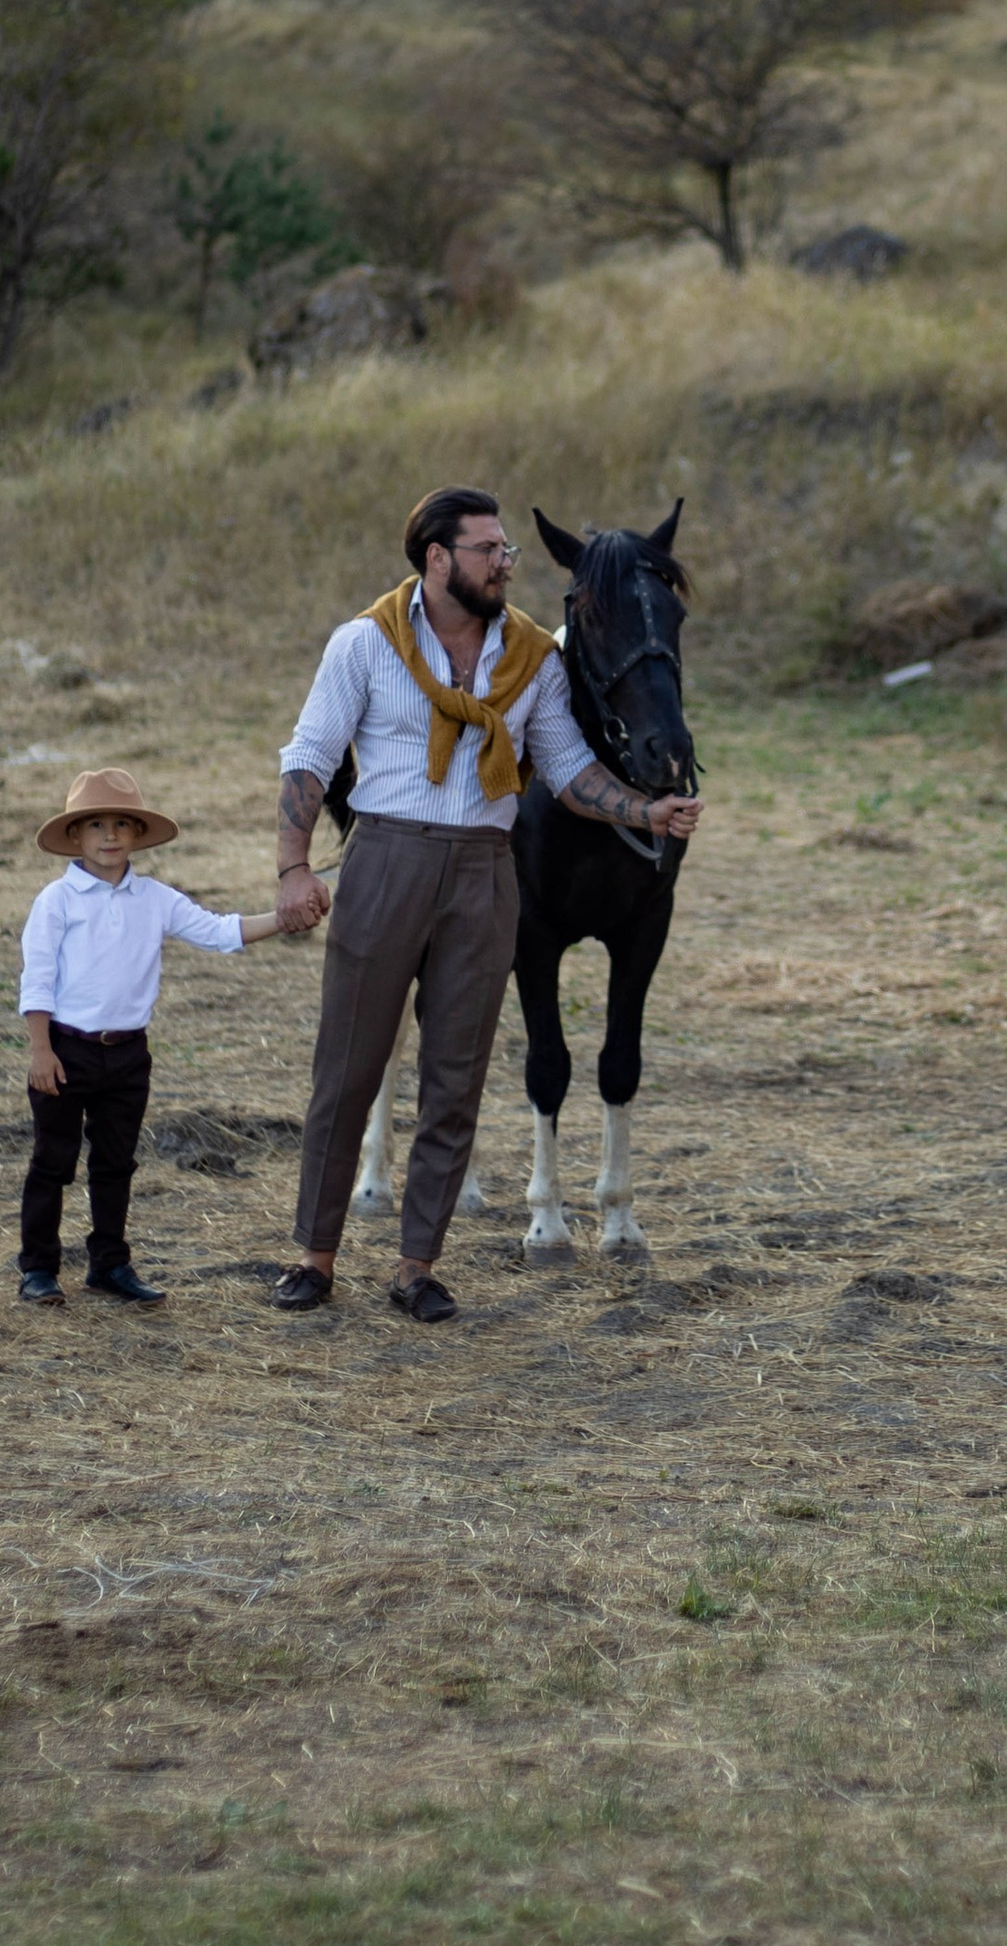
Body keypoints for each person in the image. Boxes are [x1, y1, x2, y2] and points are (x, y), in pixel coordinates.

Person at [271, 488, 701, 1325]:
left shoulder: (532, 658)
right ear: (438, 558)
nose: (507, 563)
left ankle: (416, 1265)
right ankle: (314, 1258)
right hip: (387, 856)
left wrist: (645, 811)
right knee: (349, 1068)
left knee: (456, 1075)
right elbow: (310, 757)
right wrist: (293, 866)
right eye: (489, 550)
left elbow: (568, 768)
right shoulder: (364, 644)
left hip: (483, 869)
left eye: (507, 550)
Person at [17, 765, 307, 1310]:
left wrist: (284, 918)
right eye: (96, 825)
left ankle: (109, 1265)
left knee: (115, 1162)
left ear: (137, 836)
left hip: (127, 1054)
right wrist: (41, 1049)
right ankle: (38, 1268)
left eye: (122, 824)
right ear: (75, 836)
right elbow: (38, 979)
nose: (109, 836)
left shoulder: (154, 899)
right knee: (52, 1162)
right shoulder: (57, 902)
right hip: (65, 1049)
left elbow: (219, 932)